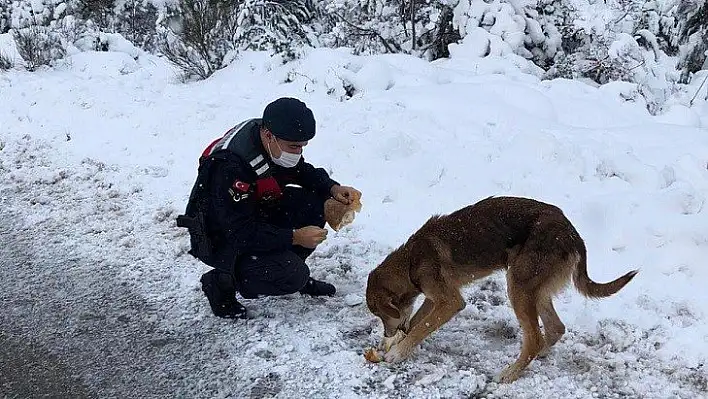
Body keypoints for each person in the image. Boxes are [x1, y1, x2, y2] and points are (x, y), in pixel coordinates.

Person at [177, 97, 360, 319]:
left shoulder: (269, 139)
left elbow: (299, 170)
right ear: (269, 135)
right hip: (219, 236)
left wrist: (332, 188)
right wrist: (294, 237)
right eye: (294, 146)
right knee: (291, 275)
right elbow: (240, 232)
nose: (298, 152)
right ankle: (222, 282)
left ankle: (286, 266)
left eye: (302, 146)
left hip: (252, 210)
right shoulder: (230, 166)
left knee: (314, 203)